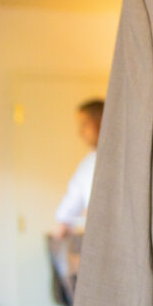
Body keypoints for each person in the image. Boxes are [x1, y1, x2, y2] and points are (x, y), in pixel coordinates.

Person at [53, 99, 104, 238]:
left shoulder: (120, 158)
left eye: (85, 125)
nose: (81, 132)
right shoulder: (88, 163)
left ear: (100, 122)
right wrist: (63, 221)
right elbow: (73, 198)